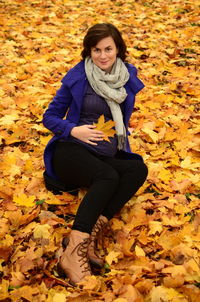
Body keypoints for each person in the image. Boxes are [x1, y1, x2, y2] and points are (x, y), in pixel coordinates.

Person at [42, 23, 148, 286]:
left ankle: (89, 236)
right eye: (96, 50)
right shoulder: (78, 77)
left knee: (138, 169)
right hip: (70, 150)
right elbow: (50, 117)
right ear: (89, 51)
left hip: (102, 153)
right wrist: (74, 130)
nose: (103, 55)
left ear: (118, 49)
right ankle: (73, 251)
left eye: (108, 49)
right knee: (108, 176)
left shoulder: (126, 77)